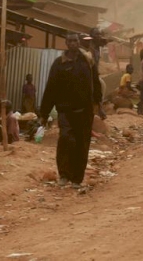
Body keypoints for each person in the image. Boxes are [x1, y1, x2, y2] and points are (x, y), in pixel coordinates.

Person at [38, 33, 102, 189]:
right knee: (66, 139)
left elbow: (96, 81)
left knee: (82, 144)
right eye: (70, 41)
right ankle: (64, 175)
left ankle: (77, 179)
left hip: (85, 110)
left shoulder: (87, 60)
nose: (73, 44)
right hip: (65, 111)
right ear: (66, 43)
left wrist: (98, 104)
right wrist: (44, 114)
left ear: (78, 42)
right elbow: (51, 89)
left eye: (75, 41)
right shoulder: (59, 64)